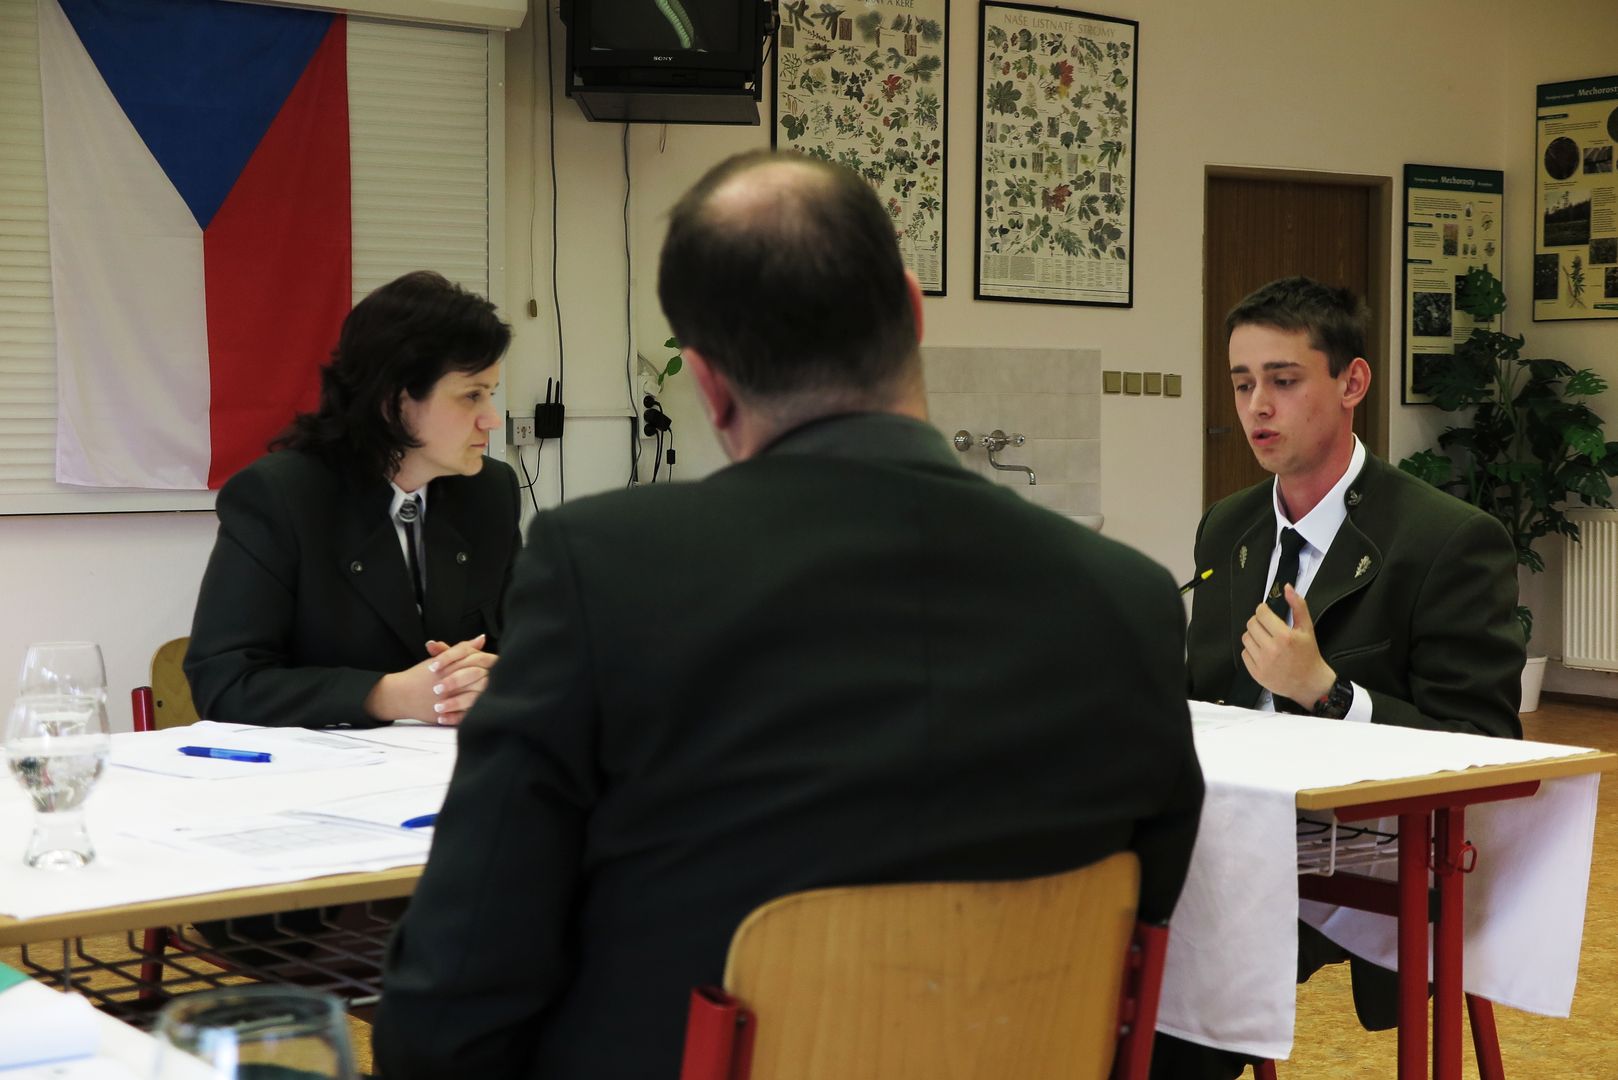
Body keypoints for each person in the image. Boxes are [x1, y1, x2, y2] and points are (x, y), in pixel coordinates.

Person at [372, 150, 1205, 1079]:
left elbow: (456, 991)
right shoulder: (1129, 600)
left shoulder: (603, 571)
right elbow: (1145, 920)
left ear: (706, 381)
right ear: (914, 310)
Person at [1151, 276, 1525, 1080]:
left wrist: (1329, 692)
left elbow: (1486, 745)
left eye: (1283, 381)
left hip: (1353, 854)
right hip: (1220, 834)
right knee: (1075, 918)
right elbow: (1204, 702)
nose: (1258, 407)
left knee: (1170, 976)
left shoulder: (1447, 540)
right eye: (1243, 384)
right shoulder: (1229, 526)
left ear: (1352, 383)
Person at [185, 270, 520, 729]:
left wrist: (498, 676)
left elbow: (530, 645)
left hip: (460, 759)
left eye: (491, 394)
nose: (491, 419)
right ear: (394, 401)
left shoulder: (489, 491)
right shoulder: (281, 496)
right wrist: (387, 696)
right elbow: (224, 683)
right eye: (471, 396)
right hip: (320, 766)